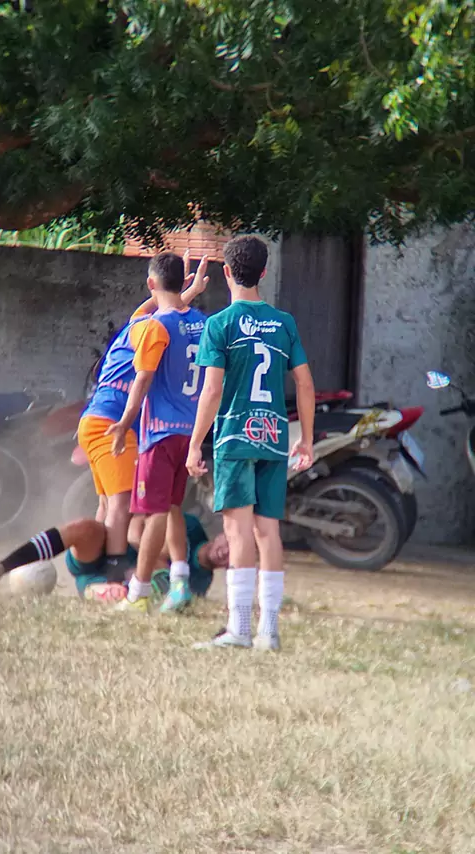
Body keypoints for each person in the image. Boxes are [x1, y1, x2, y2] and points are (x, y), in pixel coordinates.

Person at [186, 235, 316, 651]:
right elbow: (305, 383)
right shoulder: (284, 323)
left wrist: (195, 444)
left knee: (237, 531)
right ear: (264, 272)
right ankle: (269, 631)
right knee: (267, 531)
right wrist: (306, 439)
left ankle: (239, 629)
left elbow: (211, 391)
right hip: (273, 436)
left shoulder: (219, 324)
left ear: (226, 272)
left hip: (235, 437)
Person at [77, 251, 208, 581]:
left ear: (151, 284)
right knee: (122, 506)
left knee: (108, 505)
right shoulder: (150, 328)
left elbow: (167, 311)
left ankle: (93, 570)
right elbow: (167, 321)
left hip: (96, 419)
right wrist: (187, 294)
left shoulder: (143, 321)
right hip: (111, 421)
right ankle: (114, 576)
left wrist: (187, 293)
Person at [0, 514, 229, 600]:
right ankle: (4, 566)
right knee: (84, 527)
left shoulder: (200, 582)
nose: (227, 553)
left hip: (115, 583)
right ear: (222, 534)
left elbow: (160, 596)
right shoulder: (191, 525)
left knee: (121, 594)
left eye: (234, 557)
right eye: (230, 544)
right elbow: (137, 522)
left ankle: (92, 591)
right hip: (105, 553)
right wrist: (147, 550)